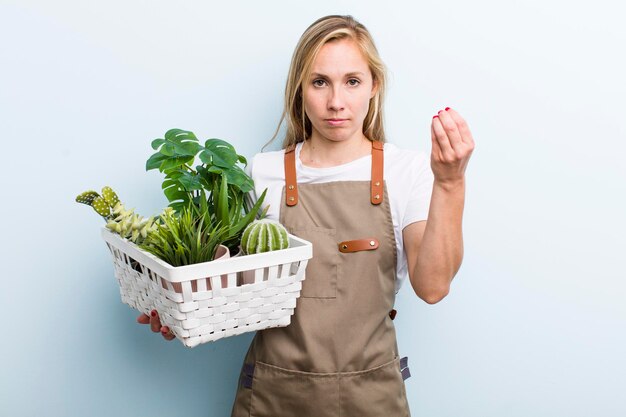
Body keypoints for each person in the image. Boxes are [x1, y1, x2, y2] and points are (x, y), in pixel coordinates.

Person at [139, 14, 474, 416]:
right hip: (272, 396)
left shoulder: (407, 171)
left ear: (374, 86)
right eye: (320, 82)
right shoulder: (263, 172)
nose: (336, 101)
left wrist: (450, 183)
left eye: (352, 81)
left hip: (372, 398)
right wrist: (180, 310)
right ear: (300, 88)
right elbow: (231, 287)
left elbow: (433, 287)